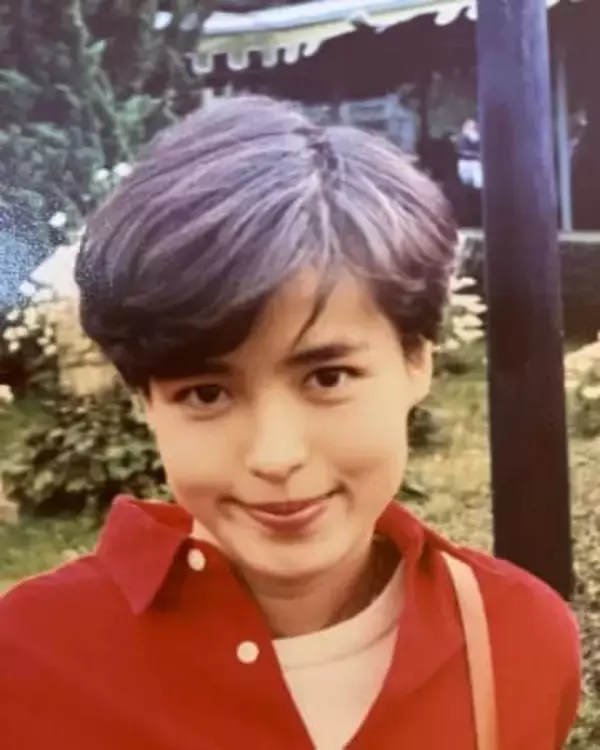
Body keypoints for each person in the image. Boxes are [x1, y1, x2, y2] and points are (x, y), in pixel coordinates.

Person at [0, 95, 580, 749]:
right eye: (206, 393)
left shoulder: (517, 640)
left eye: (327, 378)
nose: (275, 456)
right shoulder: (27, 662)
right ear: (145, 400)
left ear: (417, 359)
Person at [456, 118, 484, 191]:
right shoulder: (463, 137)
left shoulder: (478, 138)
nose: (471, 128)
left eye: (473, 127)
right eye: (469, 126)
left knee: (477, 185)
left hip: (475, 164)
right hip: (465, 163)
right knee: (465, 184)